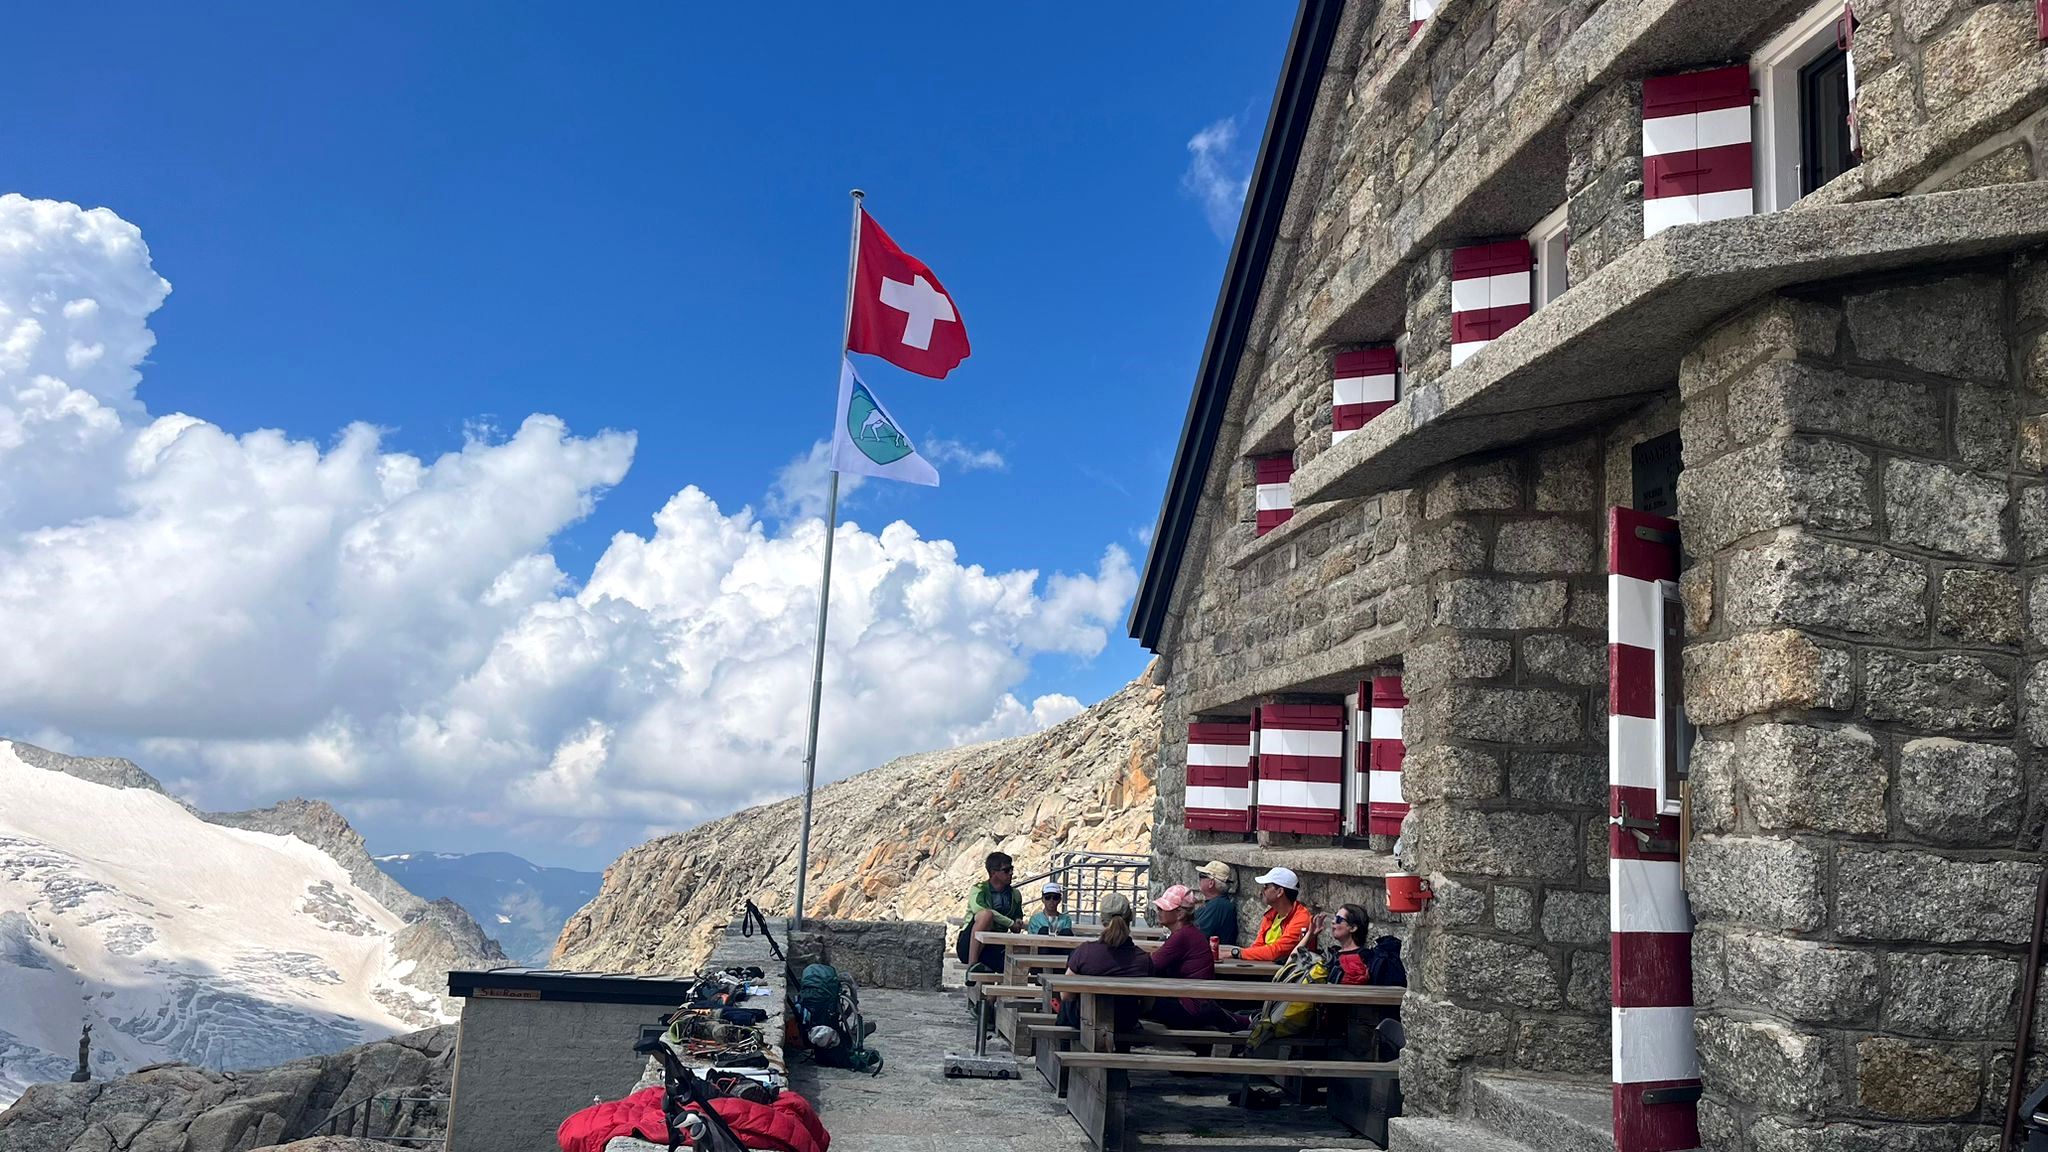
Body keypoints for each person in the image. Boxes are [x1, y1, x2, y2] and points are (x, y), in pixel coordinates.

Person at [1144, 885, 1250, 1033]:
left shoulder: (1182, 936)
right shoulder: (1189, 933)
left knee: (1134, 1004)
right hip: (1199, 1003)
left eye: (1163, 908)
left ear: (1180, 914)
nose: (1159, 911)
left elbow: (1150, 965)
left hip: (1190, 1007)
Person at [1057, 892, 1153, 1031]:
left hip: (1086, 1019)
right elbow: (1147, 1005)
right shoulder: (1143, 959)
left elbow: (1066, 995)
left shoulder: (1085, 952)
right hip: (1125, 1022)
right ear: (1130, 919)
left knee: (1067, 1005)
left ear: (1102, 920)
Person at [1220, 866, 1313, 962]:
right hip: (1265, 968)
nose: (1262, 891)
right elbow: (1258, 946)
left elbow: (1276, 952)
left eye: (1266, 886)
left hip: (1283, 974)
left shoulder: (1301, 919)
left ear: (1280, 892)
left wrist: (1237, 953)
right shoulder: (1271, 915)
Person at [959, 851, 1025, 977]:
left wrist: (1017, 920)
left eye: (1012, 869)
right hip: (969, 944)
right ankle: (972, 967)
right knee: (986, 915)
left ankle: (992, 995)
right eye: (1006, 870)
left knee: (1017, 962)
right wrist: (1010, 923)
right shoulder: (978, 889)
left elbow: (1018, 914)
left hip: (995, 944)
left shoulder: (1015, 894)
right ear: (994, 872)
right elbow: (981, 910)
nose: (1011, 873)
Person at [1327, 903, 1406, 987]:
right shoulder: (1333, 954)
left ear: (1353, 928)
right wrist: (1311, 937)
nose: (1333, 922)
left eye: (1339, 919)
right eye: (1335, 917)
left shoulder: (1365, 959)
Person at [1191, 860, 1238, 948]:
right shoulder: (1215, 904)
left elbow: (1196, 935)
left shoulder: (1218, 906)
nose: (1199, 879)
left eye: (1202, 876)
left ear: (1211, 883)